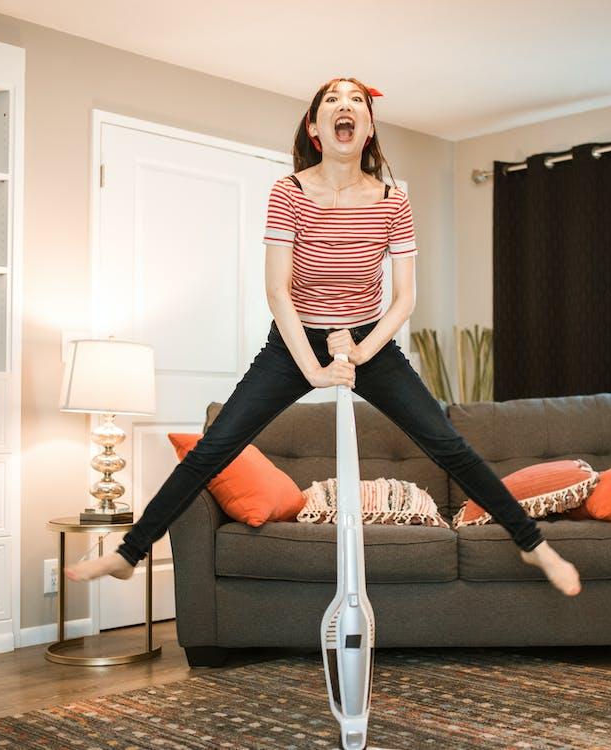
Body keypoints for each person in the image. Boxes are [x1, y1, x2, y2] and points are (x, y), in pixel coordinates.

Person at [64, 77, 581, 597]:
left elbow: (404, 299)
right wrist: (312, 368)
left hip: (369, 340)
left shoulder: (391, 200)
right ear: (316, 128)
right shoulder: (288, 192)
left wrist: (359, 351)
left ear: (368, 128)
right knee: (215, 445)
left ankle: (532, 542)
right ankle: (130, 555)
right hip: (295, 340)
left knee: (449, 445)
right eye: (332, 99)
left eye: (356, 100)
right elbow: (277, 291)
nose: (346, 105)